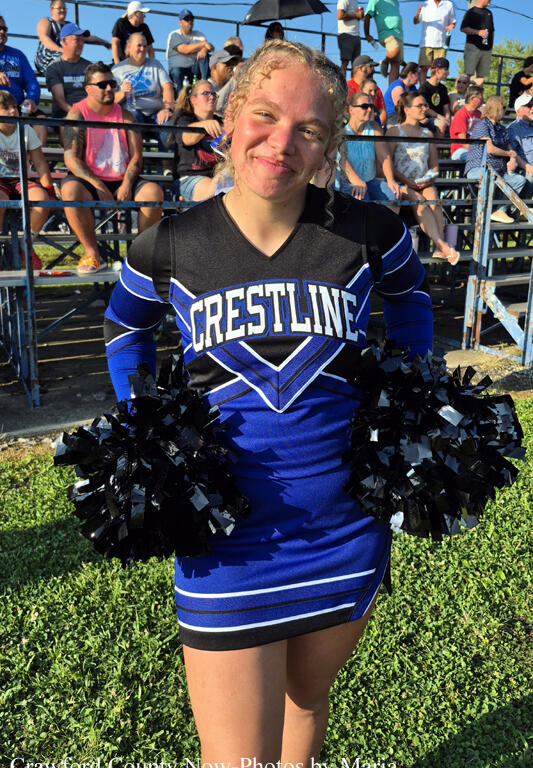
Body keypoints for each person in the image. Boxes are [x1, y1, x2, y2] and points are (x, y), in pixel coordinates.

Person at [103, 39, 433, 766]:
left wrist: (409, 394)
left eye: (309, 129)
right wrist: (144, 425)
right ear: (228, 119)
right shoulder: (167, 245)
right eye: (264, 114)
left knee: (305, 702)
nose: (282, 142)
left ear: (329, 147)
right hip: (226, 544)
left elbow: (411, 299)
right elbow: (124, 327)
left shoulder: (371, 232)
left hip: (345, 528)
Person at [61, 62, 163, 274]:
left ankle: (139, 257)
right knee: (70, 191)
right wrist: (98, 185)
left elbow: (137, 157)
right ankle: (92, 253)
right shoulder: (77, 114)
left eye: (112, 83)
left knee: (154, 192)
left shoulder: (126, 116)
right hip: (90, 180)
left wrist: (126, 184)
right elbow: (71, 158)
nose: (109, 88)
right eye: (102, 84)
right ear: (88, 88)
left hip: (122, 178)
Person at [388, 91, 459, 264]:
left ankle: (439, 248)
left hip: (422, 182)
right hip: (400, 183)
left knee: (432, 196)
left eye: (425, 105)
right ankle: (442, 244)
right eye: (420, 105)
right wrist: (407, 182)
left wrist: (428, 179)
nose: (424, 108)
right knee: (419, 199)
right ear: (407, 109)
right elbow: (387, 164)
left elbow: (433, 164)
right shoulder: (394, 131)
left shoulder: (427, 134)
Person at [0, 91, 54, 270]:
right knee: (0, 200)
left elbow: (40, 163)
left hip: (20, 179)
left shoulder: (25, 129)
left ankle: (26, 243)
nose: (12, 111)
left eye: (14, 107)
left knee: (42, 199)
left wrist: (49, 189)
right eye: (5, 108)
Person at [465, 95, 528, 224]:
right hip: (480, 168)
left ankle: (500, 210)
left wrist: (512, 158)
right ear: (496, 108)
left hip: (498, 171)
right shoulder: (482, 125)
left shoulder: (502, 128)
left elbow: (511, 151)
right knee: (491, 178)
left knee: (519, 180)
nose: (506, 110)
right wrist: (508, 154)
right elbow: (490, 149)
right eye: (503, 107)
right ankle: (493, 211)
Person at [339, 90, 401, 211]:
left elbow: (384, 156)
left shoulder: (374, 127)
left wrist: (391, 180)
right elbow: (341, 159)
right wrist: (356, 181)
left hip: (370, 181)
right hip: (348, 181)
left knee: (393, 196)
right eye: (364, 106)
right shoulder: (342, 130)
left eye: (371, 106)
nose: (369, 109)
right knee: (362, 199)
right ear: (351, 109)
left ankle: (388, 224)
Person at [112, 33, 175, 150]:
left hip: (156, 113)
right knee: (133, 118)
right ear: (129, 47)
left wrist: (167, 109)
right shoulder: (118, 69)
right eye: (139, 45)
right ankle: (135, 159)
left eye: (145, 46)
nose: (142, 49)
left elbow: (167, 87)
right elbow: (111, 99)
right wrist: (123, 92)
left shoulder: (155, 64)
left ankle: (167, 161)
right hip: (133, 111)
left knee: (168, 124)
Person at [167, 79, 222, 201]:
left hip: (218, 178)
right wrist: (204, 125)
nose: (211, 97)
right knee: (214, 189)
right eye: (206, 93)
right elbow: (187, 138)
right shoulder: (183, 120)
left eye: (214, 94)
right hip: (188, 179)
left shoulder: (221, 122)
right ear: (194, 100)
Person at [0, 16, 47, 146]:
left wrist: (31, 98)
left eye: (4, 29)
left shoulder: (17, 55)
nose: (2, 32)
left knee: (40, 120)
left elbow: (31, 81)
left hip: (17, 107)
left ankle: (34, 158)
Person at [35, 0, 110, 75]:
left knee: (87, 67)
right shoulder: (47, 21)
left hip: (67, 56)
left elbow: (85, 37)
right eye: (59, 8)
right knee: (66, 62)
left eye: (64, 8)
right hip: (48, 57)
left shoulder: (70, 26)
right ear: (51, 10)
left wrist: (104, 42)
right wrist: (62, 50)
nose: (62, 10)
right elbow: (44, 39)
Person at [45, 23, 91, 145]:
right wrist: (78, 114)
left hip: (88, 113)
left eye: (82, 40)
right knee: (72, 128)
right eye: (77, 40)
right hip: (65, 114)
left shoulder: (89, 67)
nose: (81, 44)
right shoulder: (54, 67)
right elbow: (60, 100)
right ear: (64, 41)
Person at [166, 9, 214, 92]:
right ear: (180, 22)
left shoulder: (199, 34)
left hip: (194, 69)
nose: (190, 21)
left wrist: (204, 50)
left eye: (191, 19)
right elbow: (185, 50)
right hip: (179, 70)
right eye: (186, 19)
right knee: (176, 72)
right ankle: (180, 97)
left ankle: (205, 85)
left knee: (205, 56)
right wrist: (203, 44)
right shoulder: (174, 35)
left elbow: (211, 47)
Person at [413, 0, 456, 86]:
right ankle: (422, 90)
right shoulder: (426, 4)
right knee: (423, 68)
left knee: (438, 70)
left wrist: (451, 26)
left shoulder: (449, 4)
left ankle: (434, 90)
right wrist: (417, 14)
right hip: (426, 42)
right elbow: (416, 21)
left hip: (441, 43)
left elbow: (453, 21)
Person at [364, 0, 404, 85]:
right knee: (395, 50)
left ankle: (392, 90)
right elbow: (367, 16)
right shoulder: (375, 1)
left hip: (399, 35)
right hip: (386, 33)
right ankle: (385, 62)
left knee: (396, 64)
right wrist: (367, 34)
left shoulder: (395, 1)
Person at [460, 0, 494, 86]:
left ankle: (478, 93)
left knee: (481, 76)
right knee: (468, 74)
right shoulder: (471, 12)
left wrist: (491, 46)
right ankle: (465, 93)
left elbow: (492, 30)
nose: (490, 1)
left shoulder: (489, 13)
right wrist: (478, 32)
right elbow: (463, 28)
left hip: (486, 49)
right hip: (473, 47)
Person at [347, 55, 387, 126]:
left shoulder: (376, 89)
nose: (374, 70)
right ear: (361, 68)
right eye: (371, 67)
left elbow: (383, 112)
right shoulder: (347, 87)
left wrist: (373, 127)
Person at [111, 1, 154, 65]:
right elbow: (115, 43)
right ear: (135, 14)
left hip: (139, 64)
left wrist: (152, 64)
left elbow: (150, 49)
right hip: (122, 62)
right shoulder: (121, 23)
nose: (144, 16)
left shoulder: (144, 27)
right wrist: (117, 64)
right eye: (142, 13)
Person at [508, 93, 533, 200]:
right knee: (530, 177)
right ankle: (521, 208)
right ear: (518, 111)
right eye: (529, 106)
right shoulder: (513, 129)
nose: (532, 109)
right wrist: (527, 166)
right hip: (524, 170)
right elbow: (512, 154)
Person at [419, 56, 451, 137]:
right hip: (427, 119)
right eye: (446, 69)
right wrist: (442, 118)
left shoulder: (443, 88)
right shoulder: (424, 88)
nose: (448, 73)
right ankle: (438, 145)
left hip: (440, 118)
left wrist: (447, 119)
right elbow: (426, 109)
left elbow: (446, 109)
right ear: (437, 70)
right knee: (441, 124)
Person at [449, 84, 483, 160]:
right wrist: (478, 151)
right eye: (480, 98)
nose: (482, 101)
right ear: (472, 99)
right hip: (459, 150)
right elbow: (463, 142)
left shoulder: (479, 114)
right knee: (478, 158)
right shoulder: (461, 114)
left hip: (475, 149)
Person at [383, 61, 419, 125]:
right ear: (410, 74)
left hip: (406, 114)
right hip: (392, 116)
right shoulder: (398, 87)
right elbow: (400, 109)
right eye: (418, 73)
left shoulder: (412, 87)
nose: (419, 76)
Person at [336, 0, 364, 77]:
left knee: (356, 65)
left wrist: (361, 15)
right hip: (346, 34)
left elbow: (358, 17)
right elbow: (339, 15)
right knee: (345, 63)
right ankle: (342, 83)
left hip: (356, 35)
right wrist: (356, 15)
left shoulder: (355, 1)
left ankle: (353, 84)